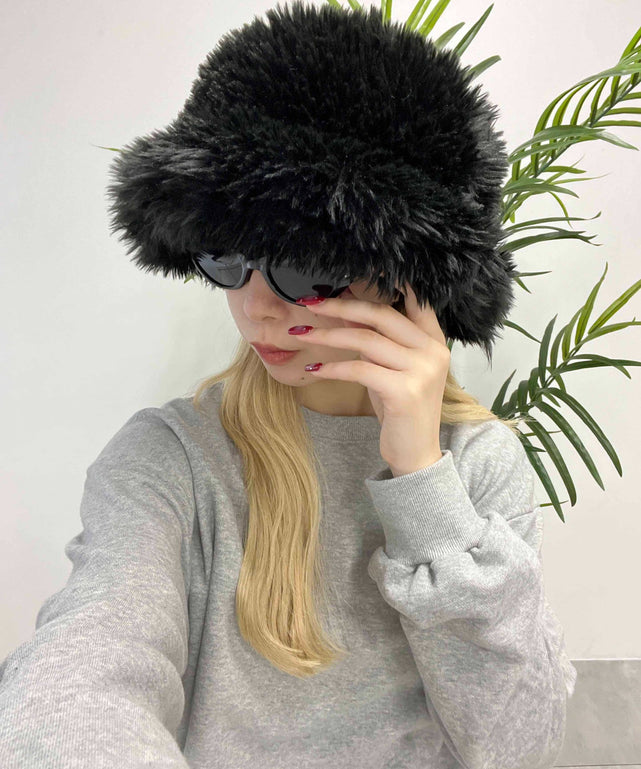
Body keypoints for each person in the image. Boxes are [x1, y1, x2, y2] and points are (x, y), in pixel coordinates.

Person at [0, 3, 577, 768]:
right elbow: (80, 671)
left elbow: (516, 745)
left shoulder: (477, 462)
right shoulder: (173, 459)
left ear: (403, 276)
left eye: (301, 265)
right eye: (225, 256)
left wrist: (420, 477)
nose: (255, 307)